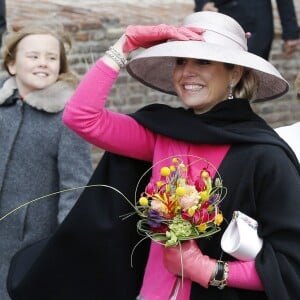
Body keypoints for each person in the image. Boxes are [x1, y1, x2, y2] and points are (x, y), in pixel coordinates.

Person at [6, 11, 300, 300]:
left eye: (203, 61)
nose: (187, 72)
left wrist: (207, 270)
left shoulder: (265, 155)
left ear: (234, 73)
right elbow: (81, 117)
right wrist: (124, 44)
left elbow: (290, 265)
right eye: (181, 61)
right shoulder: (162, 133)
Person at [0, 25, 93, 299]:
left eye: (51, 58)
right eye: (33, 56)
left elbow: (74, 189)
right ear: (12, 65)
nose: (43, 63)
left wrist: (63, 245)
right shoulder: (3, 109)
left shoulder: (67, 119)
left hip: (34, 244)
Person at [194, 0, 300, 60]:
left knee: (247, 80)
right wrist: (202, 3)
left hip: (254, 21)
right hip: (216, 16)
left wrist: (290, 32)